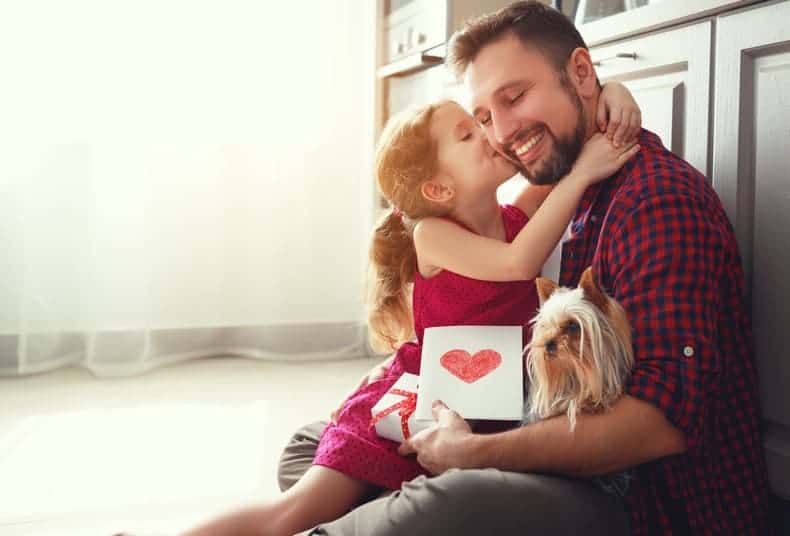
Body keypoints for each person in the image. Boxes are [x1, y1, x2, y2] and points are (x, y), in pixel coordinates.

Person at [277, 2, 771, 535]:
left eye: (514, 97)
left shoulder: (658, 204)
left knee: (438, 501)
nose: (500, 132)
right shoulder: (571, 185)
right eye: (483, 118)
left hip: (643, 502)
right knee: (313, 444)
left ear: (581, 73)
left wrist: (476, 453)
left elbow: (659, 427)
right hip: (549, 422)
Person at [162, 85, 639, 536]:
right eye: (468, 134)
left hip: (477, 410)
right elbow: (519, 264)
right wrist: (579, 178)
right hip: (416, 401)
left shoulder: (514, 215)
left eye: (480, 123)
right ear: (438, 190)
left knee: (413, 507)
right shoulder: (433, 234)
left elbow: (567, 147)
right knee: (294, 513)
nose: (490, 133)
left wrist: (611, 94)